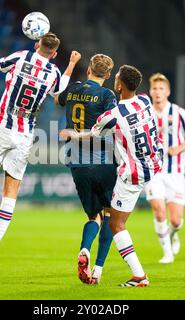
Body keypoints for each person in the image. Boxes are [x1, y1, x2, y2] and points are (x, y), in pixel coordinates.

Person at [0, 33, 81, 264]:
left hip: (1, 128)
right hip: (25, 134)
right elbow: (60, 92)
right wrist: (72, 64)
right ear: (55, 54)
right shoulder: (54, 73)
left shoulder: (21, 57)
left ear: (36, 45)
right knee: (11, 190)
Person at [60, 65, 163, 287]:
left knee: (115, 224)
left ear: (119, 85)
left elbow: (92, 135)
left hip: (131, 174)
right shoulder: (145, 101)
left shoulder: (113, 115)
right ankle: (98, 270)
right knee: (111, 216)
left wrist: (71, 133)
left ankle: (139, 276)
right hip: (153, 164)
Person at [55, 54, 116, 285]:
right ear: (108, 75)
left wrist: (69, 65)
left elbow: (55, 99)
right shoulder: (107, 95)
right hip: (103, 161)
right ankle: (98, 270)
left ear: (89, 69)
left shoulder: (72, 89)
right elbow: (112, 123)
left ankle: (84, 250)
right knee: (110, 214)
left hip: (77, 164)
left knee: (93, 216)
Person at [144, 73, 185, 264]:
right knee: (159, 210)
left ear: (168, 92)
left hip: (175, 173)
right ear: (150, 92)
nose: (158, 92)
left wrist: (178, 149)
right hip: (153, 172)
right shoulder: (145, 113)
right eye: (155, 89)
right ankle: (167, 253)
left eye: (161, 89)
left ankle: (174, 233)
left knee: (175, 220)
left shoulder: (178, 113)